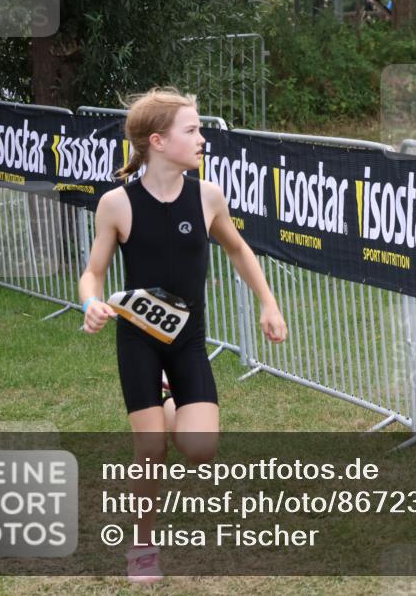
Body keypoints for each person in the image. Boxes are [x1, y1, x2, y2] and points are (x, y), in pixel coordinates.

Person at [78, 86, 287, 584]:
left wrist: (268, 303)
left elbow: (238, 250)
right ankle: (143, 545)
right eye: (192, 131)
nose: (201, 141)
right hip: (138, 340)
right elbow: (93, 273)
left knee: (200, 448)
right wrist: (91, 304)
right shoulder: (117, 204)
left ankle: (171, 404)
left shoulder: (208, 196)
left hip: (189, 341)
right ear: (158, 140)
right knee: (150, 452)